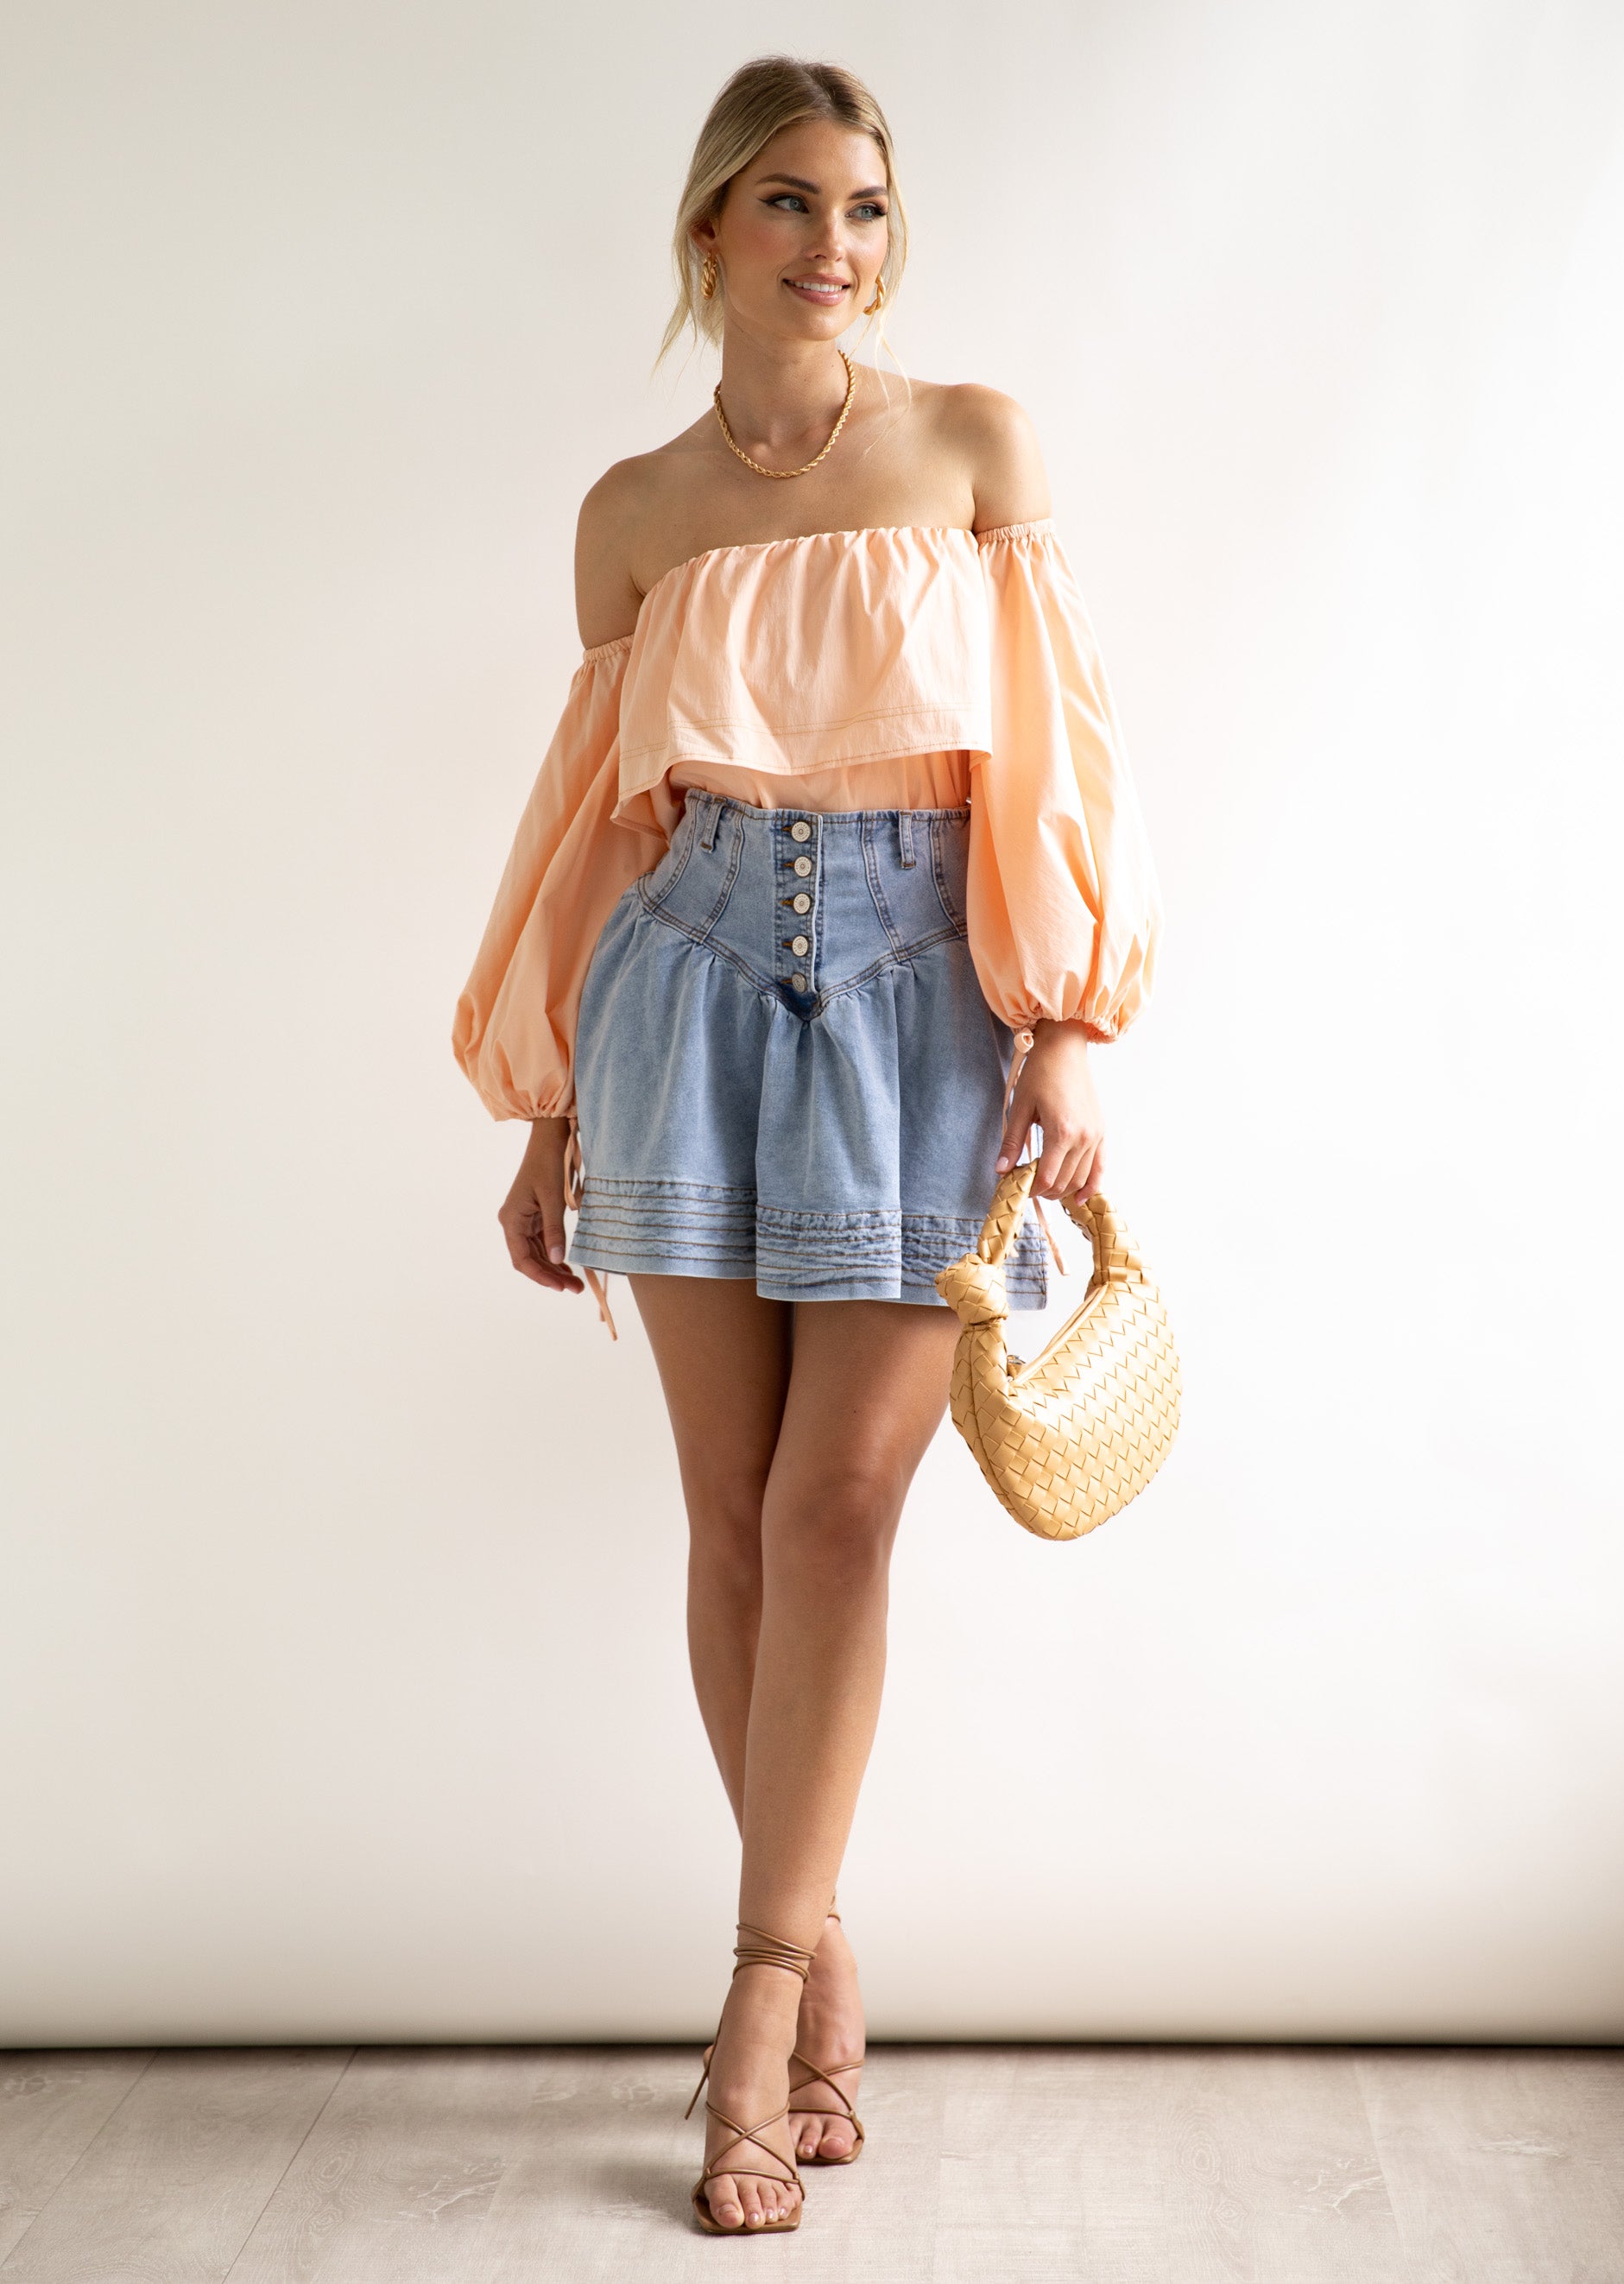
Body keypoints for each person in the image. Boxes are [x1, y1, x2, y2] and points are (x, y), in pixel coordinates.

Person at [452, 54, 1162, 2238]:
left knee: (840, 1505)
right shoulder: (634, 511)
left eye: (863, 208)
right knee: (734, 1518)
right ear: (710, 229)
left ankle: (756, 2004)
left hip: (923, 996)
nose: (833, 247)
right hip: (678, 989)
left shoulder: (971, 445)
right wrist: (547, 1095)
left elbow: (1059, 753)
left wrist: (1065, 1022)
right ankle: (824, 1937)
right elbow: (596, 824)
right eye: (788, 203)